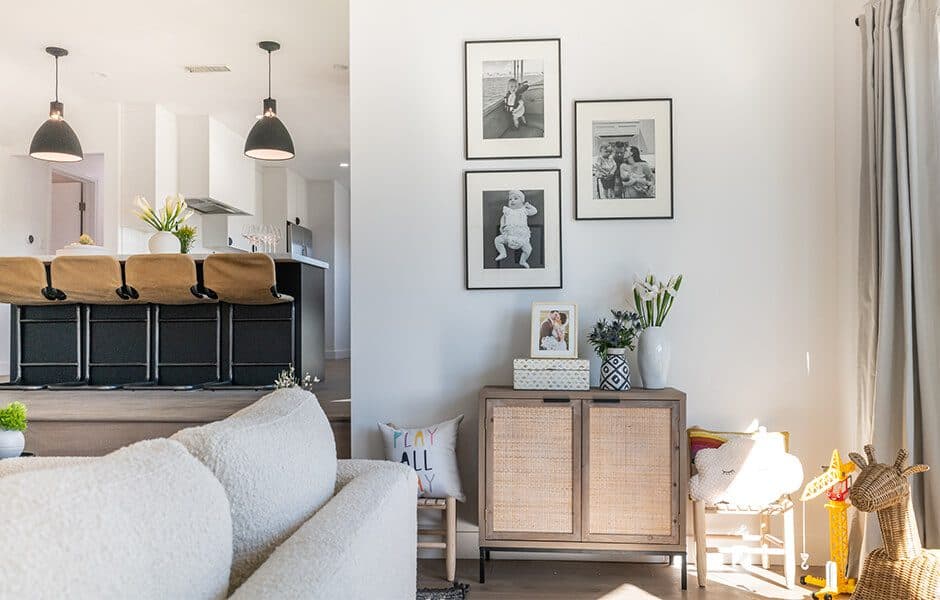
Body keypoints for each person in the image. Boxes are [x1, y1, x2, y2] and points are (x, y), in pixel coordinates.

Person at [494, 189, 537, 268]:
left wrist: (529, 206)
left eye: (515, 198)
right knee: (497, 240)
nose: (512, 201)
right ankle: (503, 253)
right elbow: (502, 220)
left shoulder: (524, 210)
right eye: (510, 199)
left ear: (522, 201)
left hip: (521, 235)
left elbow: (534, 211)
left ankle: (523, 261)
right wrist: (502, 227)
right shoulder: (507, 211)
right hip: (509, 234)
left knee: (528, 250)